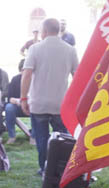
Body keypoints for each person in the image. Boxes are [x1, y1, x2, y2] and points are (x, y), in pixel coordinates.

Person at [20, 18, 79, 173]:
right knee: (63, 139)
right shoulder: (70, 50)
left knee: (41, 139)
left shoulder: (34, 49)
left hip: (38, 103)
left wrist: (23, 98)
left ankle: (44, 168)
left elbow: (26, 74)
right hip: (60, 104)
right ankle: (61, 168)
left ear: (44, 31)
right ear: (59, 30)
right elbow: (77, 77)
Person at [1, 59, 24, 143]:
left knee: (36, 108)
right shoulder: (15, 79)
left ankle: (33, 136)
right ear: (20, 70)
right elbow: (10, 98)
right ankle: (12, 136)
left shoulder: (35, 80)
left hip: (31, 106)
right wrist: (19, 101)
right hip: (17, 105)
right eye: (22, 70)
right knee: (9, 108)